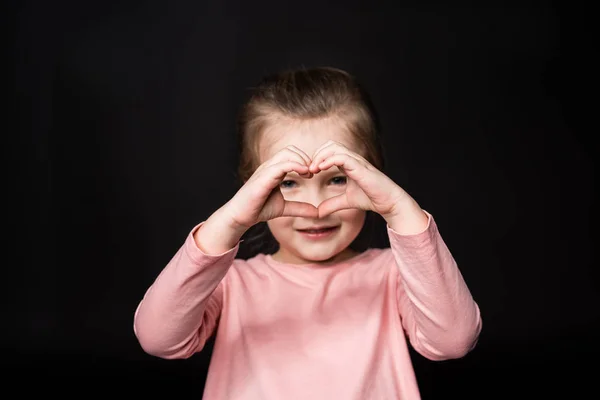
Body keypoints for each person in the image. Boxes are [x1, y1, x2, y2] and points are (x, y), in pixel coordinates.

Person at [133, 66, 482, 399]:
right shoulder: (230, 283)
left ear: (372, 177)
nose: (316, 207)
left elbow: (453, 340)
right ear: (251, 188)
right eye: (288, 182)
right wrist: (230, 222)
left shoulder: (393, 276)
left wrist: (398, 210)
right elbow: (158, 338)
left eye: (338, 179)